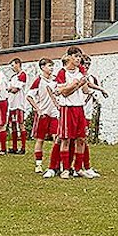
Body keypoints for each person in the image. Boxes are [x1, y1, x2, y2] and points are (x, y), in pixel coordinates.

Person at [51, 49, 90, 179]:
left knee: (81, 139)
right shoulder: (62, 73)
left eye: (80, 57)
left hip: (79, 107)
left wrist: (70, 87)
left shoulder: (81, 72)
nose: (78, 59)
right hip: (67, 108)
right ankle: (65, 169)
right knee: (65, 138)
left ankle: (78, 168)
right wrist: (73, 86)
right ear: (69, 57)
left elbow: (83, 89)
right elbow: (64, 93)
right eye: (76, 56)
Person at [29, 58, 60, 174]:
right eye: (49, 66)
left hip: (54, 113)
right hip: (43, 113)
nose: (51, 68)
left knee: (56, 137)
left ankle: (56, 164)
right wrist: (38, 109)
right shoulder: (38, 81)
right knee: (40, 139)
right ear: (42, 67)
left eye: (52, 66)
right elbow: (29, 96)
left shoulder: (55, 80)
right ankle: (38, 164)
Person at [5, 58, 30, 155]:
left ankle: (23, 147)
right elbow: (9, 88)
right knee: (13, 125)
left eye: (13, 65)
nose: (12, 67)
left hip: (19, 103)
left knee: (21, 124)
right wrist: (10, 88)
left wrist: (11, 88)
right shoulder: (14, 77)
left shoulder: (22, 75)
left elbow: (15, 89)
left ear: (18, 64)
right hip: (12, 104)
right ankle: (14, 147)